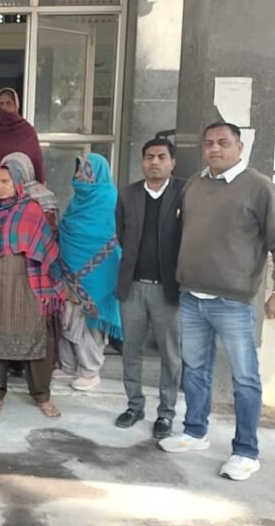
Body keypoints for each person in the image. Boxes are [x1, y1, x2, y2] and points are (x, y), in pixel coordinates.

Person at [159, 122, 275, 482]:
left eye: (223, 142)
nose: (214, 149)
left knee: (244, 378)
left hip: (234, 301)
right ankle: (195, 432)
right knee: (195, 370)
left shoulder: (260, 188)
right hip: (192, 295)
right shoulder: (195, 184)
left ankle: (246, 452)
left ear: (240, 147)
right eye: (208, 143)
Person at [0, 160, 63, 418]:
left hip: (26, 279)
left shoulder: (31, 210)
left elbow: (45, 247)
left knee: (34, 331)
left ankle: (42, 396)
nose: (0, 187)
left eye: (5, 181)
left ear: (17, 182)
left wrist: (47, 287)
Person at [114, 138, 184, 438]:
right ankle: (134, 406)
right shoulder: (127, 194)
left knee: (170, 354)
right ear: (142, 161)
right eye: (149, 157)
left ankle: (166, 413)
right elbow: (121, 234)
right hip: (133, 286)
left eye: (161, 157)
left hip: (168, 289)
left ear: (172, 162)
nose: (154, 162)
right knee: (131, 349)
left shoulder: (184, 192)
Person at [53, 153, 122, 392]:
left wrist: (89, 271)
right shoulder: (77, 202)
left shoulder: (109, 198)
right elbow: (68, 231)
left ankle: (90, 371)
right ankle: (68, 365)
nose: (78, 175)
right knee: (67, 317)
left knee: (88, 322)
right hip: (68, 269)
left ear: (96, 173)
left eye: (84, 170)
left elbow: (111, 238)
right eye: (77, 170)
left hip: (99, 274)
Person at [0, 88, 45, 188]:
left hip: (23, 189)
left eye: (9, 103)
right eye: (1, 104)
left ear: (16, 105)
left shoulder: (26, 130)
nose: (5, 107)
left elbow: (36, 160)